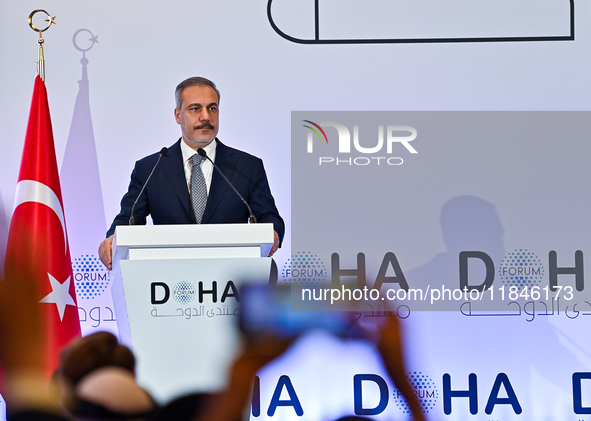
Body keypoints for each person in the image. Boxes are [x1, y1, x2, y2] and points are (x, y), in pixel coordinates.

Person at [98, 77, 285, 270]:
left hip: (233, 279)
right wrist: (112, 239)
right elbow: (128, 219)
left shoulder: (246, 166)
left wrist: (273, 231)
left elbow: (270, 217)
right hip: (167, 280)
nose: (206, 117)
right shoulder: (150, 168)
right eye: (195, 109)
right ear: (178, 115)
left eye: (212, 108)